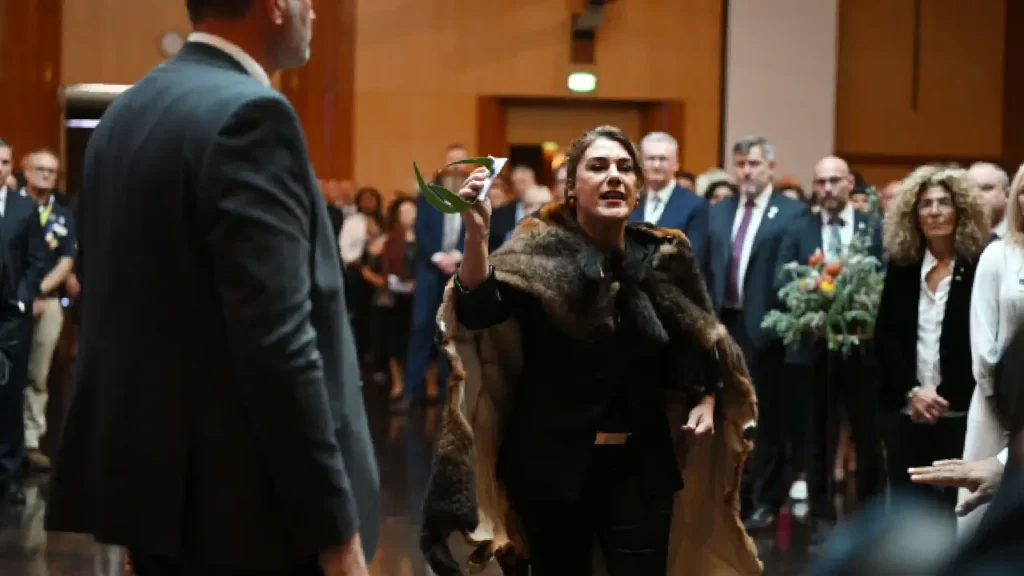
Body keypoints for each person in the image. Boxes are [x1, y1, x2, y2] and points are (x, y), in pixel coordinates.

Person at [44, 1, 380, 574]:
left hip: (159, 506)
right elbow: (279, 343)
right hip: (251, 516)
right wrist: (335, 529)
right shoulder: (251, 115)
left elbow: (113, 312)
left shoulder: (125, 115)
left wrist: (135, 516)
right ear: (274, 7)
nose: (315, 12)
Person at [419, 126, 761, 575]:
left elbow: (698, 340)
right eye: (598, 167)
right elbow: (479, 310)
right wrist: (476, 237)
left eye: (625, 168)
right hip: (551, 467)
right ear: (571, 188)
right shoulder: (536, 252)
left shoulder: (664, 255)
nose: (614, 176)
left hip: (642, 466)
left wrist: (706, 397)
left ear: (638, 189)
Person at [875, 166, 989, 523]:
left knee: (953, 508)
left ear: (960, 211)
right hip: (909, 407)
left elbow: (980, 340)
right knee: (908, 507)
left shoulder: (979, 265)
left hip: (959, 409)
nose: (935, 211)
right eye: (926, 204)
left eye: (944, 203)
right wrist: (913, 392)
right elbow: (886, 337)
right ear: (915, 214)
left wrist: (942, 398)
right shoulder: (902, 266)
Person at [958, 162, 1024, 534]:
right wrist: (1002, 401)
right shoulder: (998, 255)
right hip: (997, 403)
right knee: (979, 516)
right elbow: (983, 341)